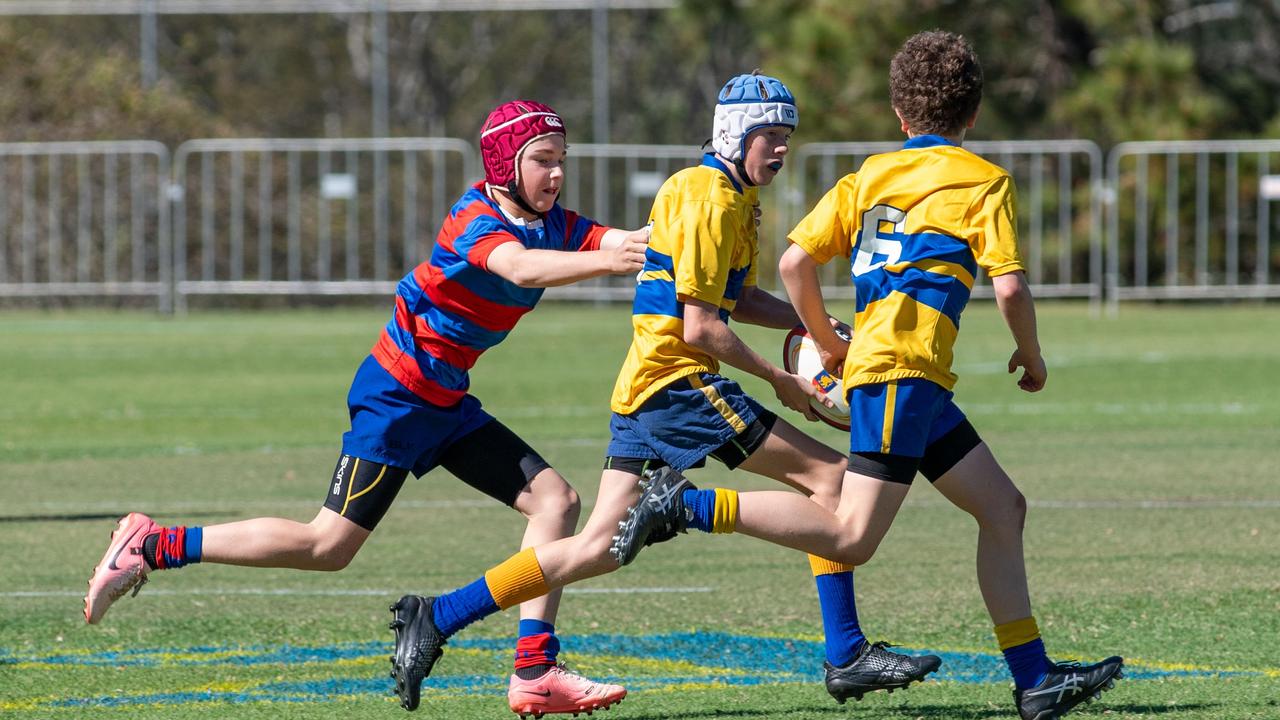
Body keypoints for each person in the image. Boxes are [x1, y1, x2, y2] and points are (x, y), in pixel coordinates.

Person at [385, 72, 943, 716]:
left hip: (646, 387)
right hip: (680, 384)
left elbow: (731, 299)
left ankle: (439, 614)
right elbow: (701, 327)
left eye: (788, 137)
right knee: (834, 484)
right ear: (737, 134)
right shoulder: (712, 199)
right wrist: (782, 379)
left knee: (599, 546)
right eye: (771, 137)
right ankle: (844, 652)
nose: (782, 150)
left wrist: (805, 324)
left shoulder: (723, 192)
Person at [613, 31, 1125, 720]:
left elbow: (796, 263)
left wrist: (825, 341)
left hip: (912, 379)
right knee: (852, 535)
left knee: (1003, 508)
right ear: (971, 117)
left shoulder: (871, 174)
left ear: (901, 117)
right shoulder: (985, 182)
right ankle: (685, 507)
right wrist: (1030, 355)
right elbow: (1009, 290)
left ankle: (1035, 679)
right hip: (900, 375)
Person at [83, 99, 650, 716]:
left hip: (446, 401)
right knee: (327, 545)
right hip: (398, 396)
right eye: (543, 160)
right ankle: (153, 544)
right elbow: (519, 269)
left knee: (555, 500)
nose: (557, 174)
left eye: (562, 161)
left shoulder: (555, 224)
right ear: (504, 163)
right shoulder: (475, 218)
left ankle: (534, 670)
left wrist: (671, 232)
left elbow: (624, 239)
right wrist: (608, 259)